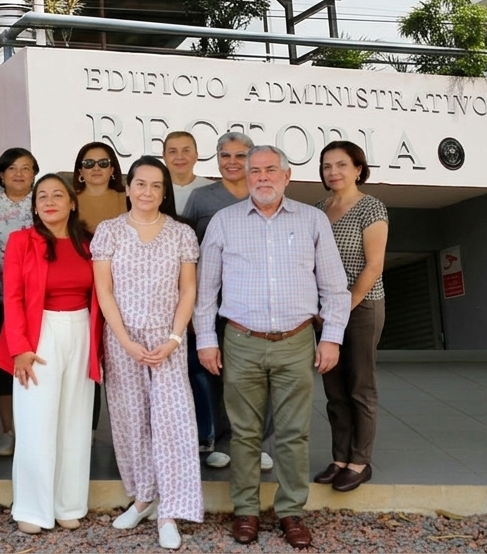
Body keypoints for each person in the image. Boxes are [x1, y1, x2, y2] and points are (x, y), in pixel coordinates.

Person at [193, 145, 351, 550]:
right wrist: (207, 340)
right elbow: (205, 289)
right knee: (244, 435)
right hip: (241, 341)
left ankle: (290, 512)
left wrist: (331, 337)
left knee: (294, 433)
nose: (262, 178)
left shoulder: (313, 220)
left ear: (286, 175)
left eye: (270, 170)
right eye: (254, 172)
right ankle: (245, 511)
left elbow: (334, 286)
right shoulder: (225, 222)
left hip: (296, 341)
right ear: (245, 178)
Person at [92, 157, 202, 550]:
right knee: (130, 421)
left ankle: (169, 511)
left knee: (173, 424)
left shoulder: (180, 234)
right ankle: (142, 497)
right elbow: (104, 290)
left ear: (164, 192)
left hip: (167, 340)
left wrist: (173, 339)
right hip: (124, 341)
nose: (147, 192)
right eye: (141, 184)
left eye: (156, 186)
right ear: (128, 187)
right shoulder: (109, 232)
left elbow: (188, 290)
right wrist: (125, 341)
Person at [0, 173, 103, 535]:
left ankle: (67, 503)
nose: (50, 201)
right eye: (42, 196)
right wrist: (20, 348)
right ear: (35, 205)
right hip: (38, 334)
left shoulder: (89, 242)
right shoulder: (21, 240)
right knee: (36, 423)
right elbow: (11, 297)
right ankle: (32, 507)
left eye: (58, 195)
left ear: (73, 202)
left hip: (81, 331)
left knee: (74, 421)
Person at [313, 141, 389, 493]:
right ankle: (339, 458)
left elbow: (373, 266)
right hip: (325, 313)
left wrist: (342, 310)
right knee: (334, 390)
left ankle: (360, 461)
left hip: (363, 308)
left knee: (360, 386)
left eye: (341, 165)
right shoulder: (317, 210)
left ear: (358, 169)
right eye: (327, 166)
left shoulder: (370, 208)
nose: (334, 172)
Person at [180, 131, 256, 471]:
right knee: (217, 370)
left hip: (257, 300)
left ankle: (258, 443)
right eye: (225, 156)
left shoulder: (263, 192)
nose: (232, 162)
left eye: (240, 156)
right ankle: (222, 440)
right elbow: (188, 251)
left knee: (255, 372)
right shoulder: (201, 197)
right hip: (213, 299)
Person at [0, 147, 38, 457]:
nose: (19, 173)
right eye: (11, 168)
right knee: (3, 366)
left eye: (26, 168)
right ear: (1, 175)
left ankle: (34, 431)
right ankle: (8, 431)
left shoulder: (42, 202)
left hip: (38, 300)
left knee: (36, 364)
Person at [72, 141, 127, 232]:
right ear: (81, 171)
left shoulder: (129, 198)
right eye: (89, 163)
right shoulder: (69, 201)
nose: (96, 168)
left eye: (103, 163)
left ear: (112, 170)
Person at [163, 131, 211, 214]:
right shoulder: (154, 189)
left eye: (186, 151)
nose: (179, 157)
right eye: (173, 152)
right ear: (164, 156)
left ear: (196, 155)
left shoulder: (211, 189)